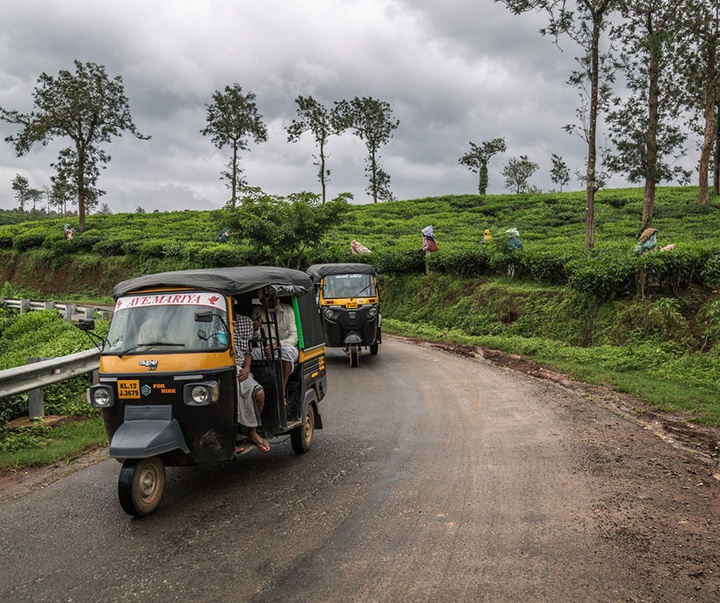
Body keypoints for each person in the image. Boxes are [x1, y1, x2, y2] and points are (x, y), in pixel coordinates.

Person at [232, 301, 269, 452]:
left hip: (240, 368)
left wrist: (247, 368)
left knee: (259, 394)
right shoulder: (213, 321)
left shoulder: (245, 322)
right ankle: (231, 439)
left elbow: (247, 351)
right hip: (221, 367)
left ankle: (251, 432)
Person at [268, 293, 299, 403]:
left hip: (284, 346)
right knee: (252, 353)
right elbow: (253, 336)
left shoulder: (288, 310)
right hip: (265, 349)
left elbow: (294, 337)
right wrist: (256, 327)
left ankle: (282, 391)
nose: (270, 301)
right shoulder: (258, 311)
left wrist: (278, 344)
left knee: (287, 353)